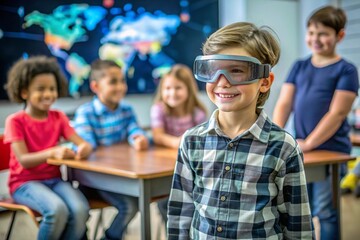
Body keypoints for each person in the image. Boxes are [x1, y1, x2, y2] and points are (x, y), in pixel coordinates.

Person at [167, 22, 314, 239]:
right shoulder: (191, 141)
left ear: (264, 82)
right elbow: (181, 212)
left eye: (237, 71)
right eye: (213, 70)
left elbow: (297, 224)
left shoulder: (283, 147)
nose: (222, 82)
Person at [273, 6, 359, 240]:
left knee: (326, 211)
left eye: (323, 33)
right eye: (311, 32)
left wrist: (309, 143)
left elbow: (337, 113)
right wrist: (275, 136)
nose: (315, 39)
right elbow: (284, 104)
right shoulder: (300, 66)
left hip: (330, 152)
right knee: (302, 210)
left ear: (339, 36)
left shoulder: (347, 70)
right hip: (302, 150)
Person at [3, 56, 93, 240]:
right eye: (40, 89)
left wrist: (83, 148)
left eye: (52, 89)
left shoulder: (58, 117)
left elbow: (82, 143)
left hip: (54, 180)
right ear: (24, 92)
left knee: (80, 209)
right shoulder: (15, 121)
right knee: (56, 210)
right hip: (24, 184)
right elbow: (24, 161)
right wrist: (53, 152)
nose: (48, 94)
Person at [73, 59, 149, 240]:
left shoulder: (127, 110)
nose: (121, 87)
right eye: (113, 82)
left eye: (122, 81)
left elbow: (134, 129)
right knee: (130, 205)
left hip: (120, 176)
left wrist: (138, 137)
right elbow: (88, 146)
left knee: (138, 200)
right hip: (94, 178)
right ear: (95, 86)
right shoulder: (85, 113)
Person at [150, 63, 207, 224]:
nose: (172, 93)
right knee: (165, 201)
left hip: (190, 167)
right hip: (163, 167)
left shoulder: (198, 113)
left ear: (189, 89)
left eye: (178, 88)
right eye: (167, 88)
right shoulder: (158, 109)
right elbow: (158, 136)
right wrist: (180, 142)